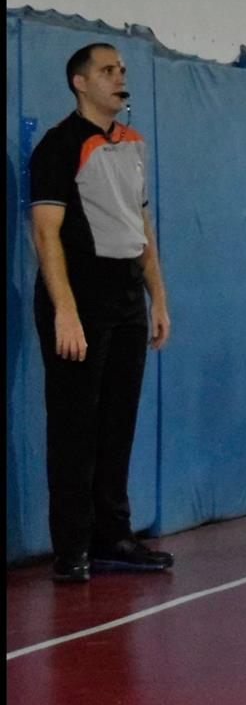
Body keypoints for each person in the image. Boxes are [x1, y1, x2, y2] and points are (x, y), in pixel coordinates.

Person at [29, 43, 175, 583]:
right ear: (80, 82)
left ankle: (113, 537)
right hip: (80, 297)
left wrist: (157, 297)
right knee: (75, 426)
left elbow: (141, 225)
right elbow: (46, 234)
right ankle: (72, 548)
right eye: (107, 71)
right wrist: (65, 312)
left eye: (122, 70)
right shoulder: (59, 145)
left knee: (118, 424)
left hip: (126, 297)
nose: (119, 78)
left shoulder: (133, 143)